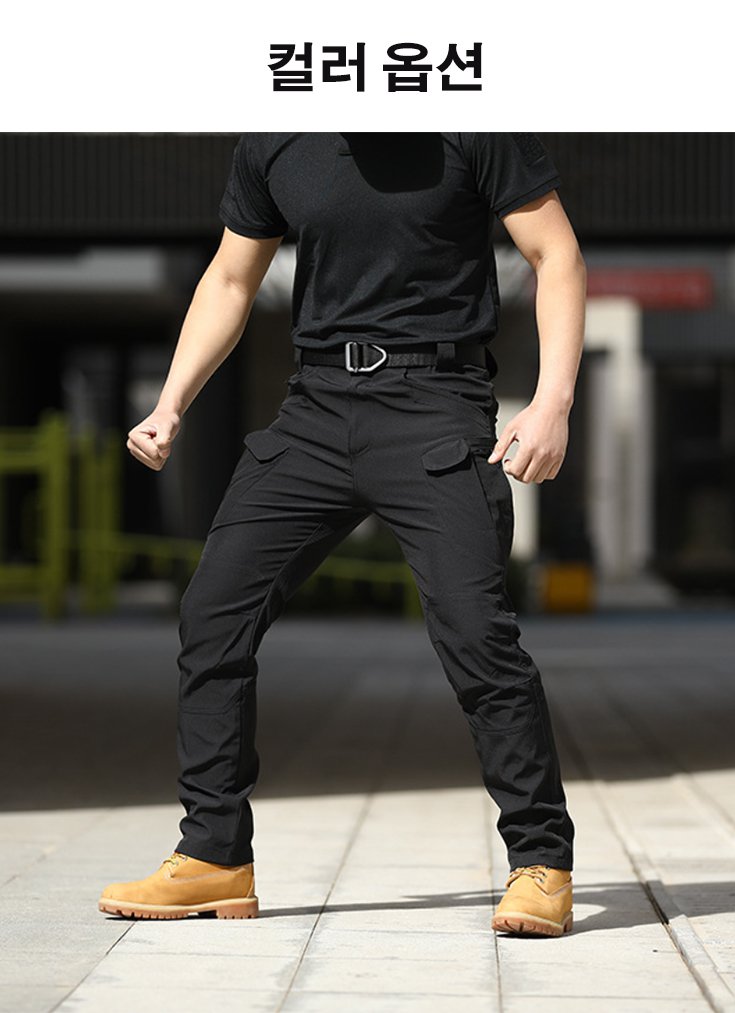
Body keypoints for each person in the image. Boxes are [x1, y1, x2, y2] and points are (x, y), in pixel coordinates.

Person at [99, 132, 586, 937]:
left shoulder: (471, 120)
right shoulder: (277, 137)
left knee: (476, 633)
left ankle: (541, 860)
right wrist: (171, 401)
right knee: (213, 611)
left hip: (435, 402)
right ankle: (214, 852)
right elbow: (230, 276)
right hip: (316, 408)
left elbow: (555, 254)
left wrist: (553, 400)